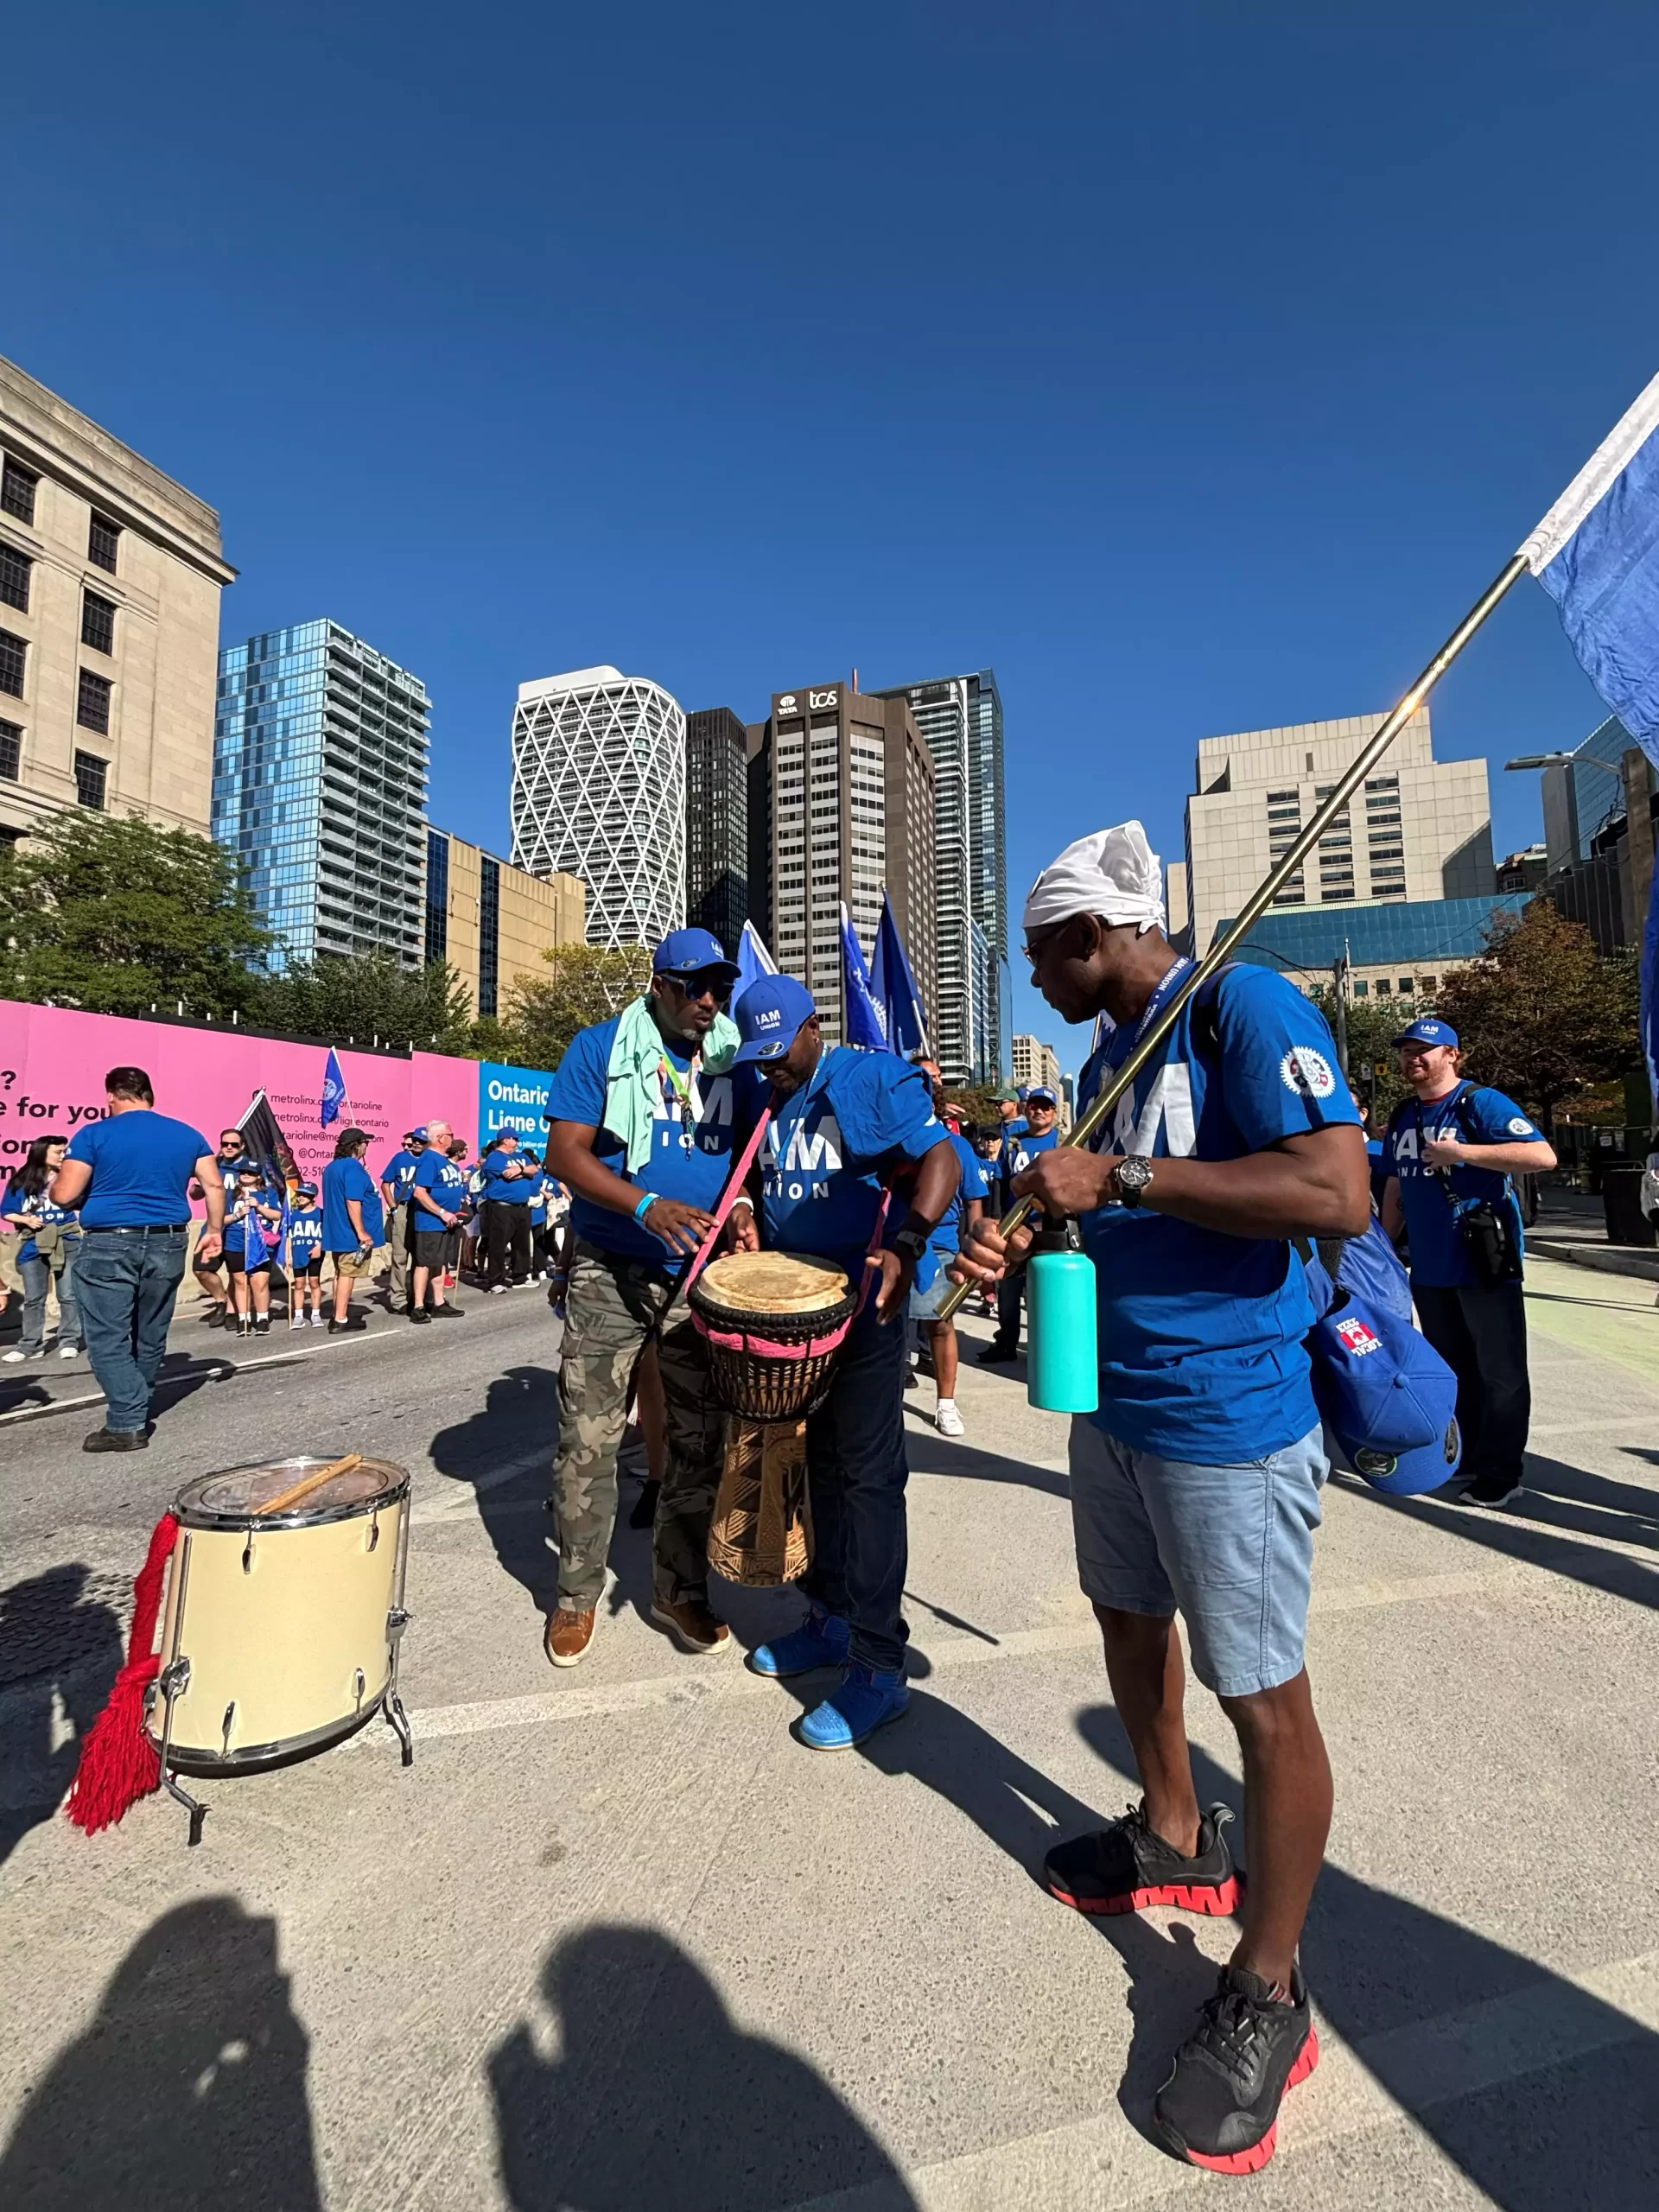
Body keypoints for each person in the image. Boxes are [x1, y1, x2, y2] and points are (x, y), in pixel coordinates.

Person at [952, 822, 1370, 2174]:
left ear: (1095, 936)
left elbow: (1338, 1193)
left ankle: (1269, 1984)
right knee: (1128, 1623)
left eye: (1041, 956)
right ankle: (1177, 1830)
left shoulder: (1241, 1007)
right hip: (1117, 1405)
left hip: (1227, 1418)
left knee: (1263, 1696)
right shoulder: (1103, 1063)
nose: (1034, 980)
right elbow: (1114, 1212)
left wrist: (1121, 1173)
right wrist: (1027, 1231)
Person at [740, 976, 961, 1750]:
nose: (772, 1069)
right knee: (820, 1470)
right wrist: (745, 1212)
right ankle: (829, 1617)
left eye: (781, 1052)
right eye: (760, 1058)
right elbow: (758, 1178)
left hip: (865, 1314)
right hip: (798, 1322)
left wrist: (908, 1243)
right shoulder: (768, 1096)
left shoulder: (867, 1077)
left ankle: (879, 1664)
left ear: (814, 1028)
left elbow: (941, 1159)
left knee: (870, 1483)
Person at [541, 927, 757, 1667]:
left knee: (700, 1440)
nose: (710, 1001)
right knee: (589, 1438)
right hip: (613, 1268)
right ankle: (576, 1597)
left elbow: (749, 1154)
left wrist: (742, 1207)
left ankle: (678, 1588)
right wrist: (644, 1206)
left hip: (699, 1277)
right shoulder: (601, 1048)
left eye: (720, 988)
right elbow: (564, 1153)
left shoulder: (734, 1058)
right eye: (695, 987)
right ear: (660, 985)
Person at [1380, 1017, 1556, 1510]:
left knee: (1501, 1371)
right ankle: (1468, 1455)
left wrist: (1463, 1152)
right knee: (1453, 1369)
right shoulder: (1404, 1114)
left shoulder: (1479, 1102)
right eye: (1407, 1050)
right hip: (1429, 1266)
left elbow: (1542, 1156)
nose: (1414, 1058)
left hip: (1482, 1262)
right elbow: (1395, 1184)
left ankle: (1502, 1471)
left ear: (1452, 1055)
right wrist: (1385, 1244)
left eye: (1425, 1049)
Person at [50, 1066, 225, 1452]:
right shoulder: (187, 1134)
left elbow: (64, 1195)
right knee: (151, 1331)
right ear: (149, 1095)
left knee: (107, 1335)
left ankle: (127, 1421)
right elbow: (213, 1184)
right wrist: (214, 1231)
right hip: (169, 1239)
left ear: (111, 1096)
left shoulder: (94, 1134)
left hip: (110, 1241)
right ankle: (137, 1406)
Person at [906, 1060, 987, 1436]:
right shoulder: (886, 1141)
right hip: (891, 1247)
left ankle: (946, 1404)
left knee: (941, 1326)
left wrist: (973, 1250)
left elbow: (974, 1200)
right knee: (886, 1333)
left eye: (931, 1083)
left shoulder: (956, 1145)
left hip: (939, 1250)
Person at [977, 1084, 1061, 1363]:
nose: (1039, 1111)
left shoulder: (1062, 1142)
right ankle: (1006, 1343)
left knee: (1044, 1293)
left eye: (1046, 1107)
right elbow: (1000, 1180)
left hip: (1049, 1229)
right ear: (1026, 1108)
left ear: (1054, 1112)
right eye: (1034, 1105)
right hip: (1014, 1227)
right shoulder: (1014, 1142)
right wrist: (997, 1218)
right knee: (1009, 1291)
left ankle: (1046, 1348)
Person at [2, 1135, 84, 1363]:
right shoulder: (21, 1181)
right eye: (58, 1152)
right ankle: (30, 1345)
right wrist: (25, 1220)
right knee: (34, 1298)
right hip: (33, 1243)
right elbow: (7, 1211)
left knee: (68, 1295)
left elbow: (84, 1202)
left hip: (67, 1240)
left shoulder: (70, 1177)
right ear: (41, 1153)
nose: (63, 1155)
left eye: (64, 1151)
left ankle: (69, 1341)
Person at [321, 1128, 384, 1334]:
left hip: (337, 1230)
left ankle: (338, 1313)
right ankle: (340, 1319)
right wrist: (361, 1232)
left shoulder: (332, 1167)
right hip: (350, 1233)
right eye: (366, 1142)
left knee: (341, 1273)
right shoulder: (353, 1168)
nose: (367, 1147)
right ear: (357, 1145)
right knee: (348, 1273)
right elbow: (353, 1200)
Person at [407, 1118, 467, 1321]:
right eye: (450, 1135)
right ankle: (418, 1306)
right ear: (441, 1138)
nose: (453, 1138)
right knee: (424, 1263)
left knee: (440, 1262)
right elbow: (420, 1193)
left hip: (447, 1222)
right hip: (430, 1222)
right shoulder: (428, 1159)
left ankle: (439, 1303)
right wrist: (442, 1212)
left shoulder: (445, 1160)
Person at [189, 1126, 248, 1326]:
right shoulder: (213, 1166)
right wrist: (197, 1187)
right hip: (214, 1227)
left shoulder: (250, 1168)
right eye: (225, 1144)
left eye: (234, 1144)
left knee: (236, 1273)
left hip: (238, 1227)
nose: (229, 1147)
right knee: (200, 1269)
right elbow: (195, 1195)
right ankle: (221, 1301)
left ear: (242, 1146)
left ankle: (232, 1312)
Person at [224, 1163, 283, 1338]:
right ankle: (243, 1319)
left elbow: (277, 1215)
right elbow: (219, 1219)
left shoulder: (268, 1193)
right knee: (240, 1282)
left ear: (258, 1176)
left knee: (260, 1283)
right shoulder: (230, 1195)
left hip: (261, 1244)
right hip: (236, 1243)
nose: (246, 1175)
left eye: (250, 1172)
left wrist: (259, 1207)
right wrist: (238, 1214)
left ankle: (262, 1318)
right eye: (243, 1172)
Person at [479, 1131, 534, 1293]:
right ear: (505, 1140)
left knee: (522, 1244)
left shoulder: (521, 1156)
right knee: (498, 1244)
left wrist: (521, 1169)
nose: (517, 1142)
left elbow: (535, 1170)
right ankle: (495, 1281)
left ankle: (520, 1277)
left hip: (522, 1207)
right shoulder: (495, 1158)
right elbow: (508, 1175)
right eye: (514, 1139)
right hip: (502, 1207)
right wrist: (525, 1173)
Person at [379, 1128, 425, 1313]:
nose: (416, 1143)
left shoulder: (431, 1160)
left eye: (421, 1141)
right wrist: (393, 1207)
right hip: (404, 1208)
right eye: (415, 1140)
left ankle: (419, 1297)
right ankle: (399, 1299)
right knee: (400, 1256)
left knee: (422, 1256)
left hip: (424, 1210)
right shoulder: (400, 1158)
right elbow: (385, 1183)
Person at [284, 1182, 326, 1326]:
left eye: (305, 1195)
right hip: (298, 1253)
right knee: (299, 1284)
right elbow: (289, 1237)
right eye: (299, 1194)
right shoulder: (293, 1215)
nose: (301, 1197)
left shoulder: (321, 1213)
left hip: (315, 1253)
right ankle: (298, 1315)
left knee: (314, 1282)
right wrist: (288, 1256)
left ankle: (316, 1314)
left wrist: (319, 1246)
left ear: (313, 1197)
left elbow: (327, 1233)